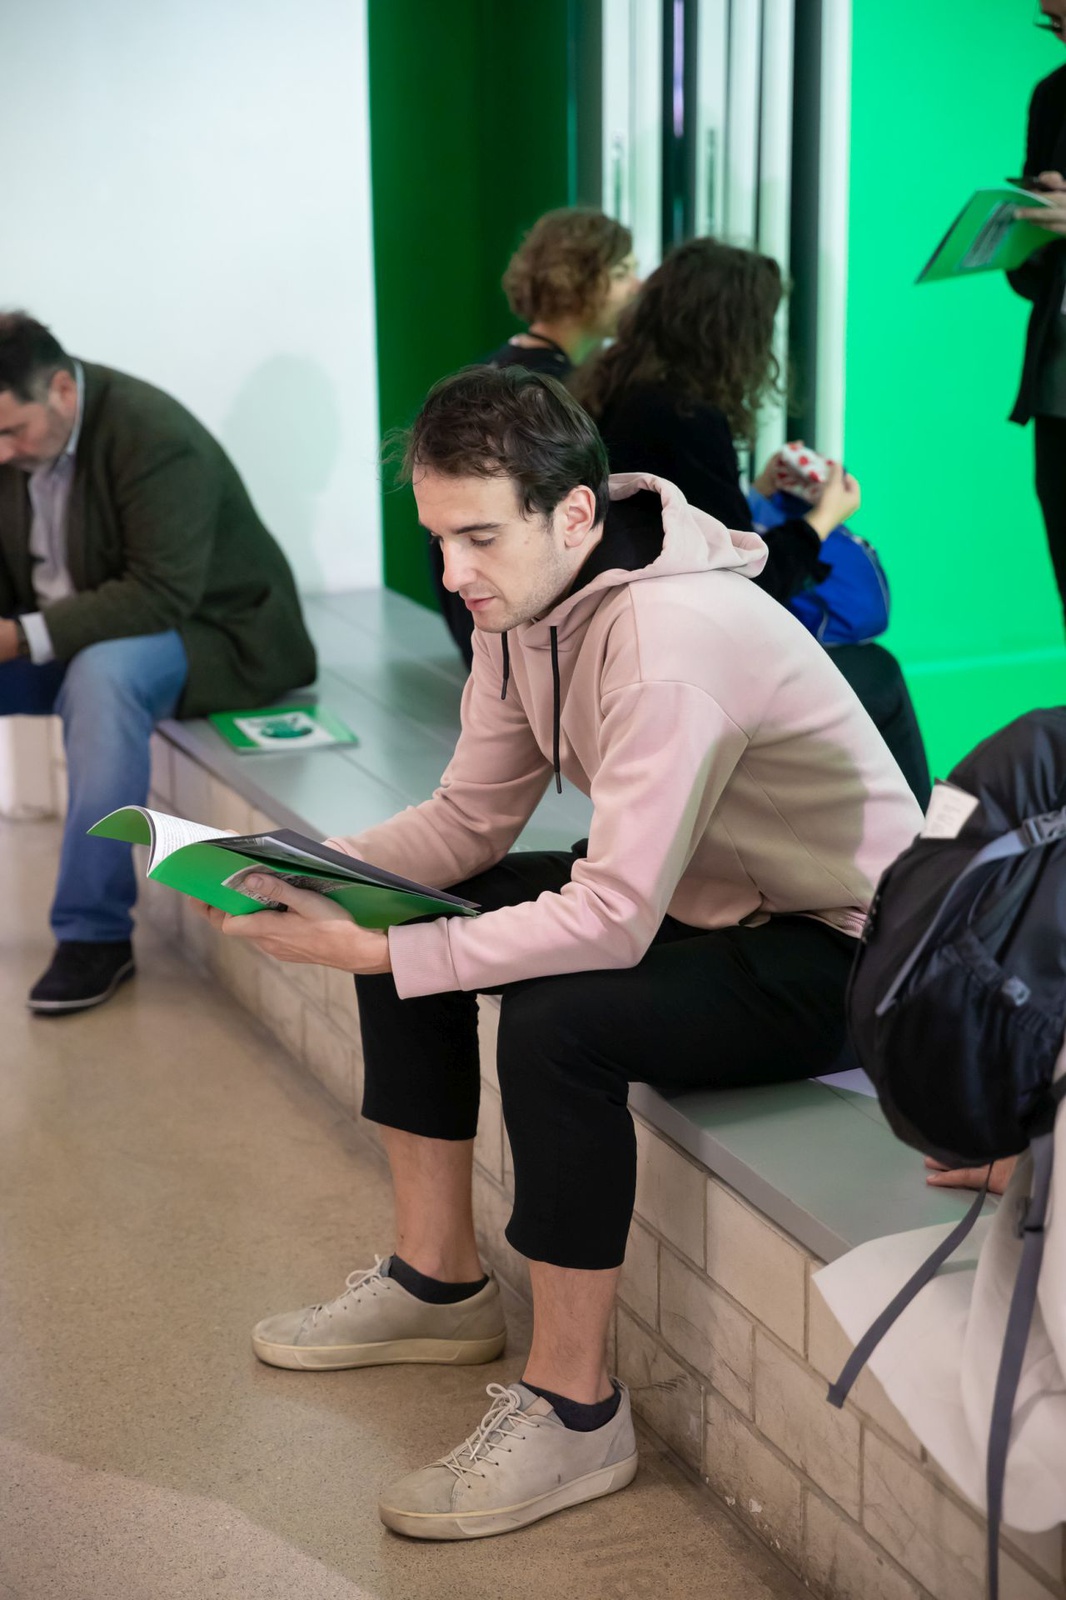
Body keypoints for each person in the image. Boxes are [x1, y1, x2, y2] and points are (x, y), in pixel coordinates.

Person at [200, 366, 922, 1541]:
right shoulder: (525, 606)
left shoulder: (669, 637)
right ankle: (438, 1281)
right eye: (438, 539)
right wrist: (307, 866)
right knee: (406, 904)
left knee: (554, 1022)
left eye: (477, 537)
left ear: (573, 514)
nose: (452, 574)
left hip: (844, 949)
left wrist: (383, 958)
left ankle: (575, 1410)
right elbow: (466, 824)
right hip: (706, 898)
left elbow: (613, 917)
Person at [0, 313, 317, 1014]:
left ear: (61, 391)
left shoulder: (153, 435)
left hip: (208, 631)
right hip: (73, 629)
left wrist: (19, 636)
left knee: (103, 679)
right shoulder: (15, 445)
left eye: (11, 430)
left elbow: (159, 592)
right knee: (94, 664)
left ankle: (94, 935)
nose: (2, 450)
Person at [572, 237, 933, 807]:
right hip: (680, 666)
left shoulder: (613, 392)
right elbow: (751, 585)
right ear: (732, 332)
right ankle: (925, 854)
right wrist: (822, 519)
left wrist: (756, 495)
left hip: (614, 653)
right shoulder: (688, 418)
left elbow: (684, 530)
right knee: (879, 673)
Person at [432, 208, 639, 665]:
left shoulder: (497, 371)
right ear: (579, 281)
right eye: (623, 272)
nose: (636, 287)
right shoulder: (550, 396)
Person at [1010, 1, 1066, 628]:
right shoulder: (1052, 96)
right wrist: (1020, 232)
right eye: (1050, 24)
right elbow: (1032, 277)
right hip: (1058, 391)